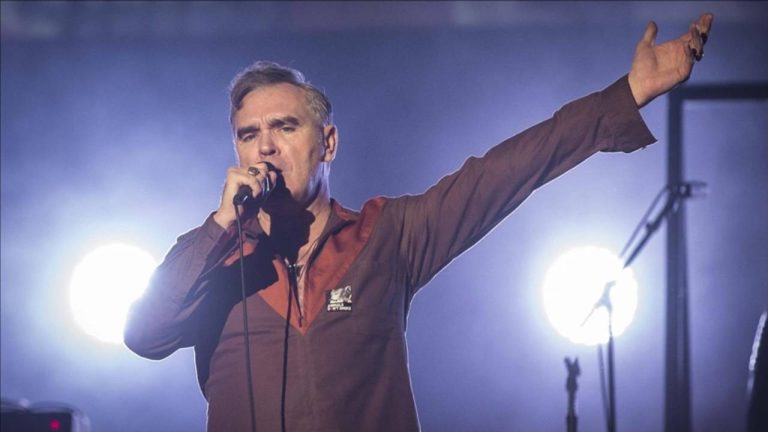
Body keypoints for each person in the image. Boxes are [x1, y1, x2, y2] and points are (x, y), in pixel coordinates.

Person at [124, 13, 714, 432]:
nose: (265, 147)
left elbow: (504, 172)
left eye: (285, 127)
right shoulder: (214, 254)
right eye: (248, 134)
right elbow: (145, 335)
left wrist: (627, 94)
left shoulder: (387, 234)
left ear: (328, 142)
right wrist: (220, 225)